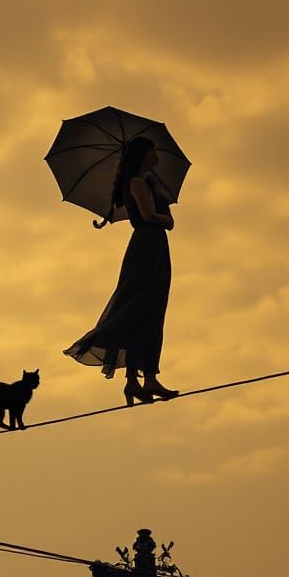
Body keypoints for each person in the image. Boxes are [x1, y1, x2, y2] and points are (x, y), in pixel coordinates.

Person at [63, 136, 179, 405]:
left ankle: (145, 379)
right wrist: (166, 218)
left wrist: (162, 213)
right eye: (152, 151)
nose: (156, 156)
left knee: (153, 311)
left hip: (156, 247)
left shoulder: (148, 182)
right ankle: (137, 380)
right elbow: (149, 216)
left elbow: (158, 217)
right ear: (142, 155)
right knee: (139, 309)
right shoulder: (136, 182)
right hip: (146, 247)